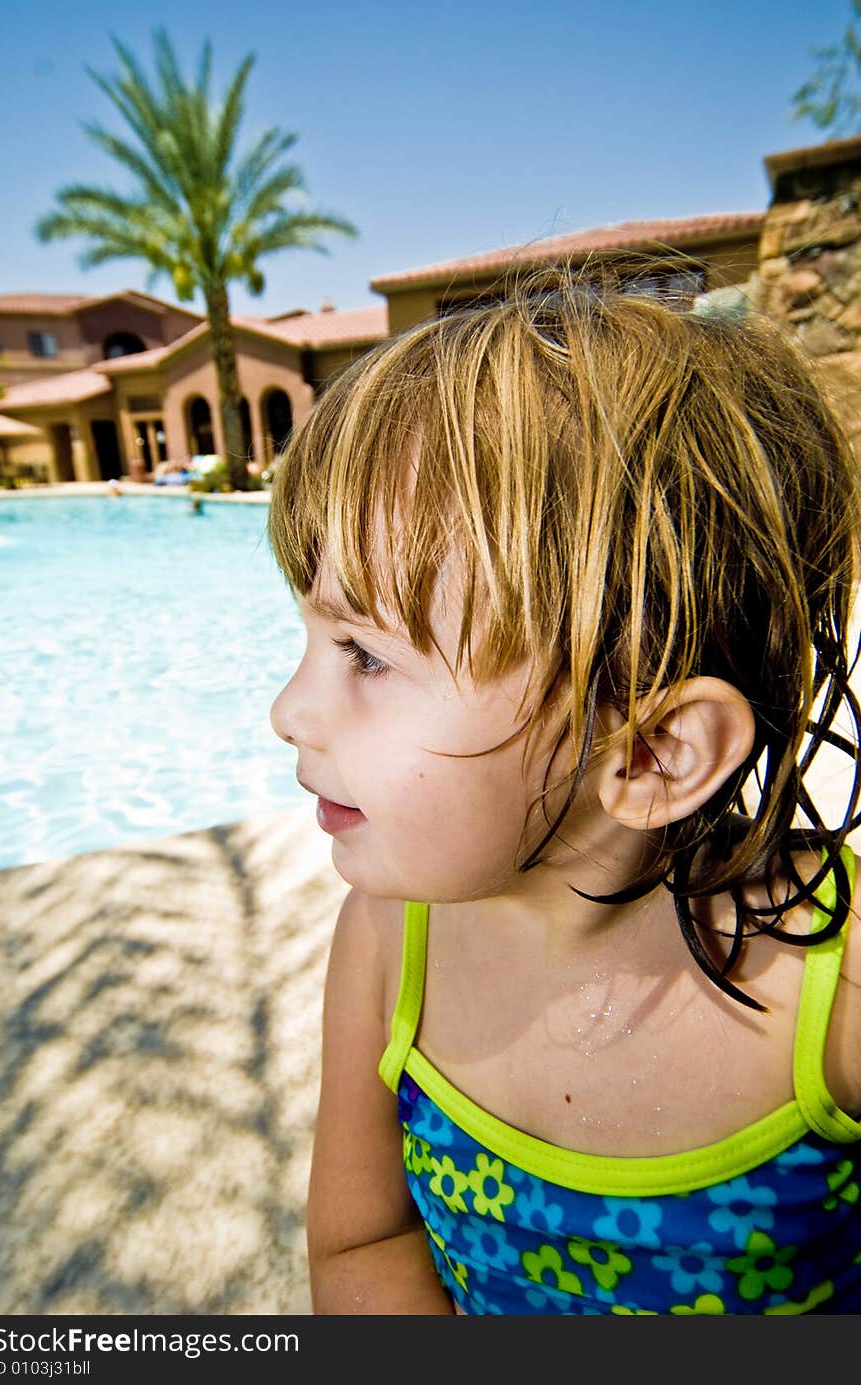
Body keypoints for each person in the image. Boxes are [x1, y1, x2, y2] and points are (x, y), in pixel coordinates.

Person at [267, 261, 861, 1315]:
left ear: (650, 753)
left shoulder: (833, 987)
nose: (288, 710)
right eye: (309, 639)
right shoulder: (387, 939)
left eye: (363, 654)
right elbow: (363, 1240)